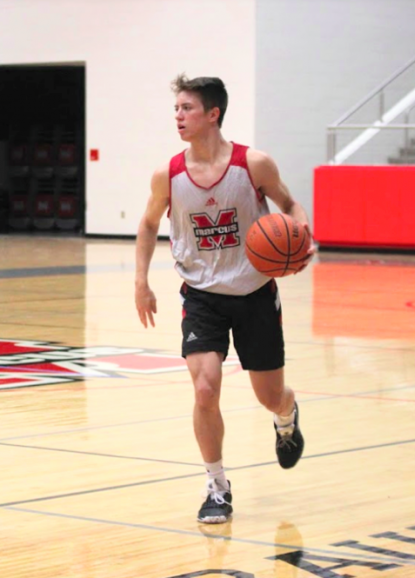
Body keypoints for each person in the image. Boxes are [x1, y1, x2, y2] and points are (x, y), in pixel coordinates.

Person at [134, 75, 314, 524]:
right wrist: (141, 282)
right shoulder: (169, 174)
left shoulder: (253, 164)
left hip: (254, 292)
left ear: (213, 114)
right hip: (202, 297)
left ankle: (287, 415)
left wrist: (302, 236)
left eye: (187, 108)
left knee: (268, 396)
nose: (178, 116)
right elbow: (147, 224)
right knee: (204, 387)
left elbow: (291, 206)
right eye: (176, 108)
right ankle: (216, 486)